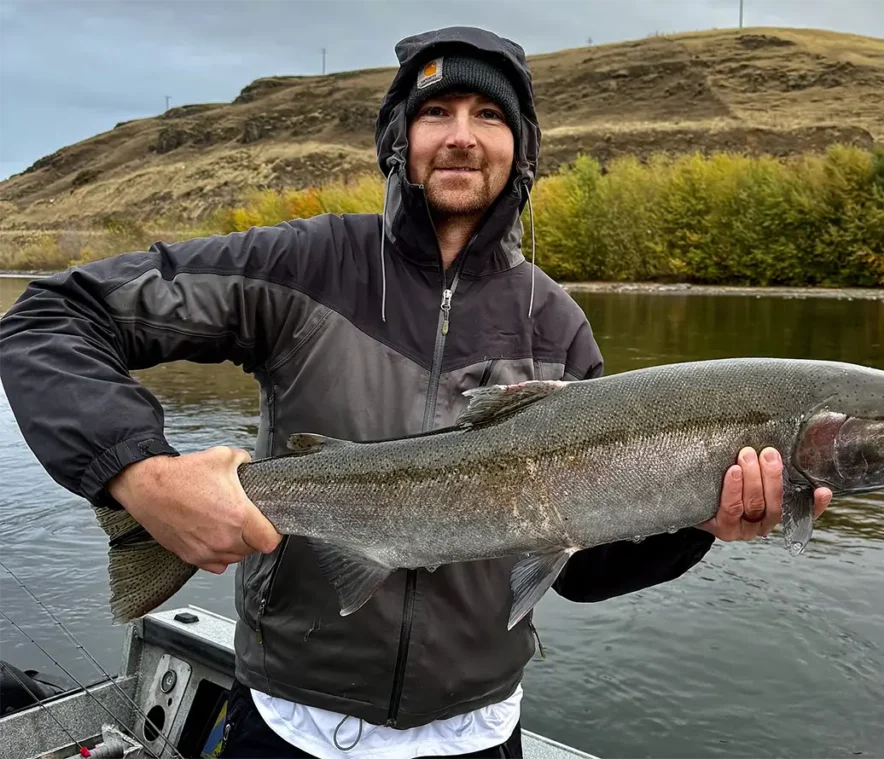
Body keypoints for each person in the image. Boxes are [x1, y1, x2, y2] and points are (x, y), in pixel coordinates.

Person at [0, 25, 830, 759]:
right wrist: (141, 474)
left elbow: (578, 567)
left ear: (523, 147)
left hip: (477, 734)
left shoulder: (559, 326)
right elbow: (50, 317)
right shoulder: (305, 265)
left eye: (490, 115)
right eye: (437, 112)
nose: (462, 137)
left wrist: (696, 520)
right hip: (287, 727)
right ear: (400, 137)